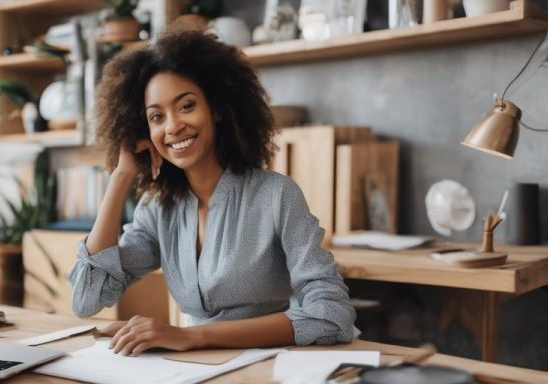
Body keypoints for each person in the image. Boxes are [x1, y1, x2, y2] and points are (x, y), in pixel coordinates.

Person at [70, 29, 355, 357]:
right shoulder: (158, 209)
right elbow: (86, 298)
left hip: (275, 366)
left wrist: (194, 336)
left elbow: (332, 316)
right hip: (196, 369)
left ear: (217, 108)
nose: (173, 126)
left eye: (186, 106)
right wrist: (121, 176)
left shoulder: (276, 195)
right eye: (156, 117)